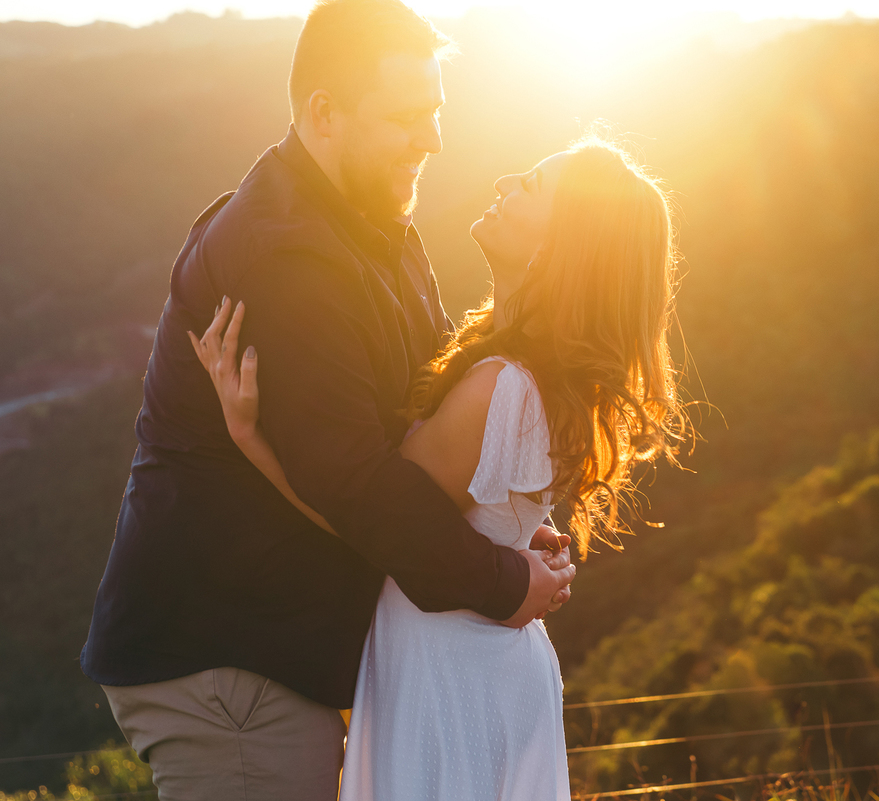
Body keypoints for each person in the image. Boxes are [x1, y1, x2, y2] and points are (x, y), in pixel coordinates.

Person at [79, 2, 573, 800]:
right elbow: (357, 481)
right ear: (324, 114)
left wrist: (499, 518)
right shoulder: (288, 257)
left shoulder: (378, 227)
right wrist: (503, 581)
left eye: (436, 112)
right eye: (407, 117)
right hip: (230, 659)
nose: (433, 139)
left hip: (272, 647)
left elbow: (424, 416)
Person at [192, 131, 685, 798]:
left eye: (531, 186)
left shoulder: (499, 387)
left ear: (558, 247)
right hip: (478, 663)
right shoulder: (532, 377)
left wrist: (248, 436)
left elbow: (368, 518)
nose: (505, 182)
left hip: (450, 674)